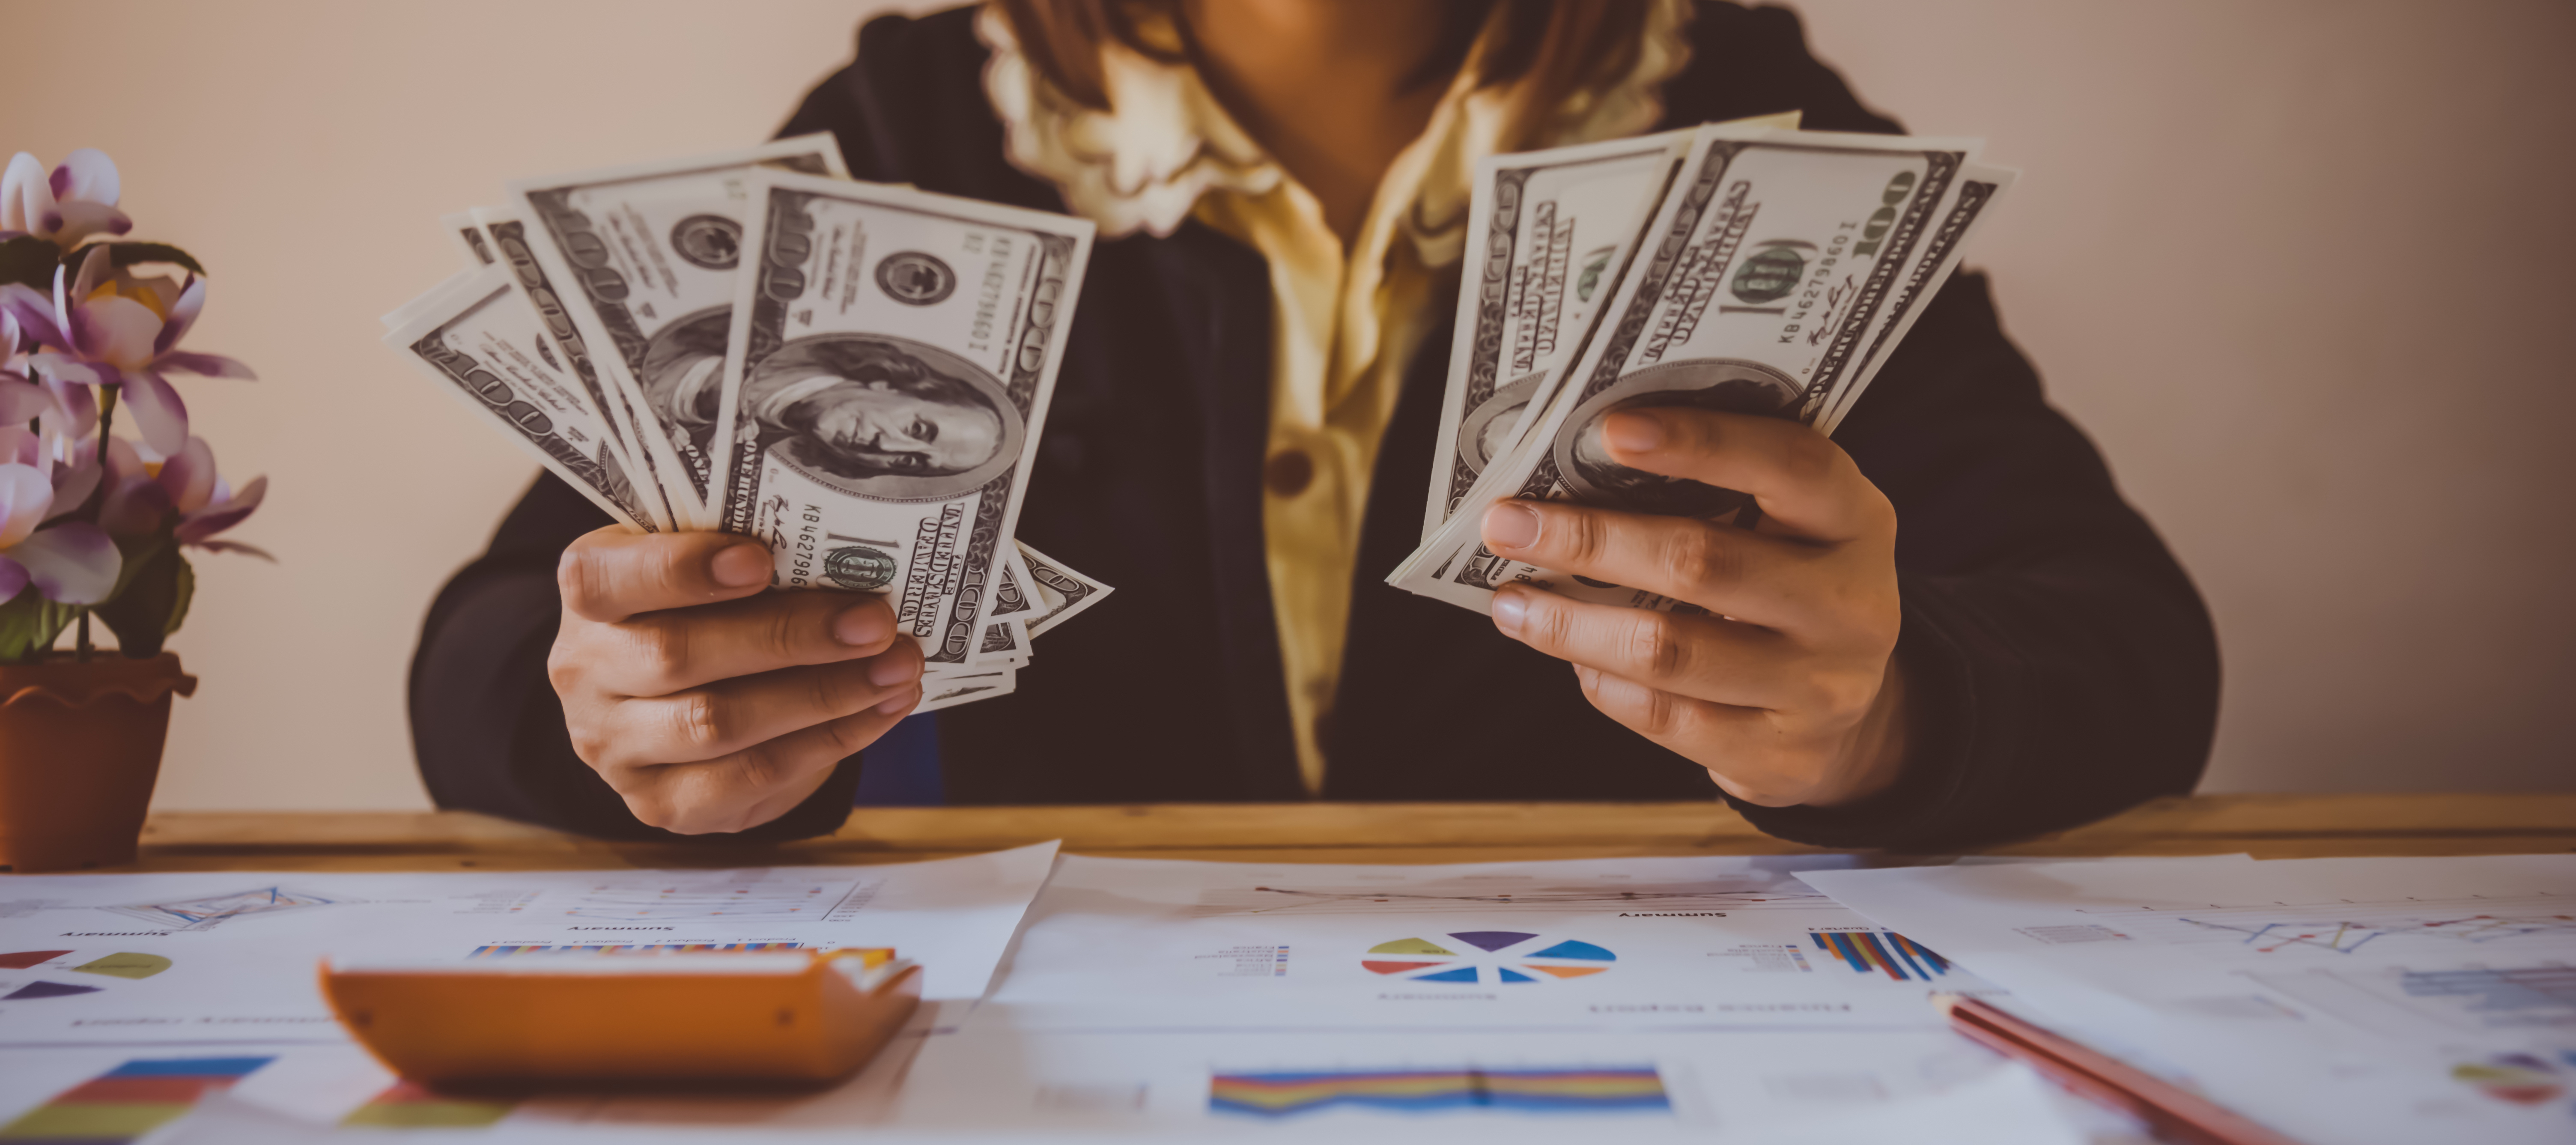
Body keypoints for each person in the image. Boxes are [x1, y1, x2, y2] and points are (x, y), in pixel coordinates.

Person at [411, 0, 2219, 847]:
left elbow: (2132, 644)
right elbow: (496, 648)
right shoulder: (906, 132)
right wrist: (625, 713)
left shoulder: (1755, 127)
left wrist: (1886, 712)